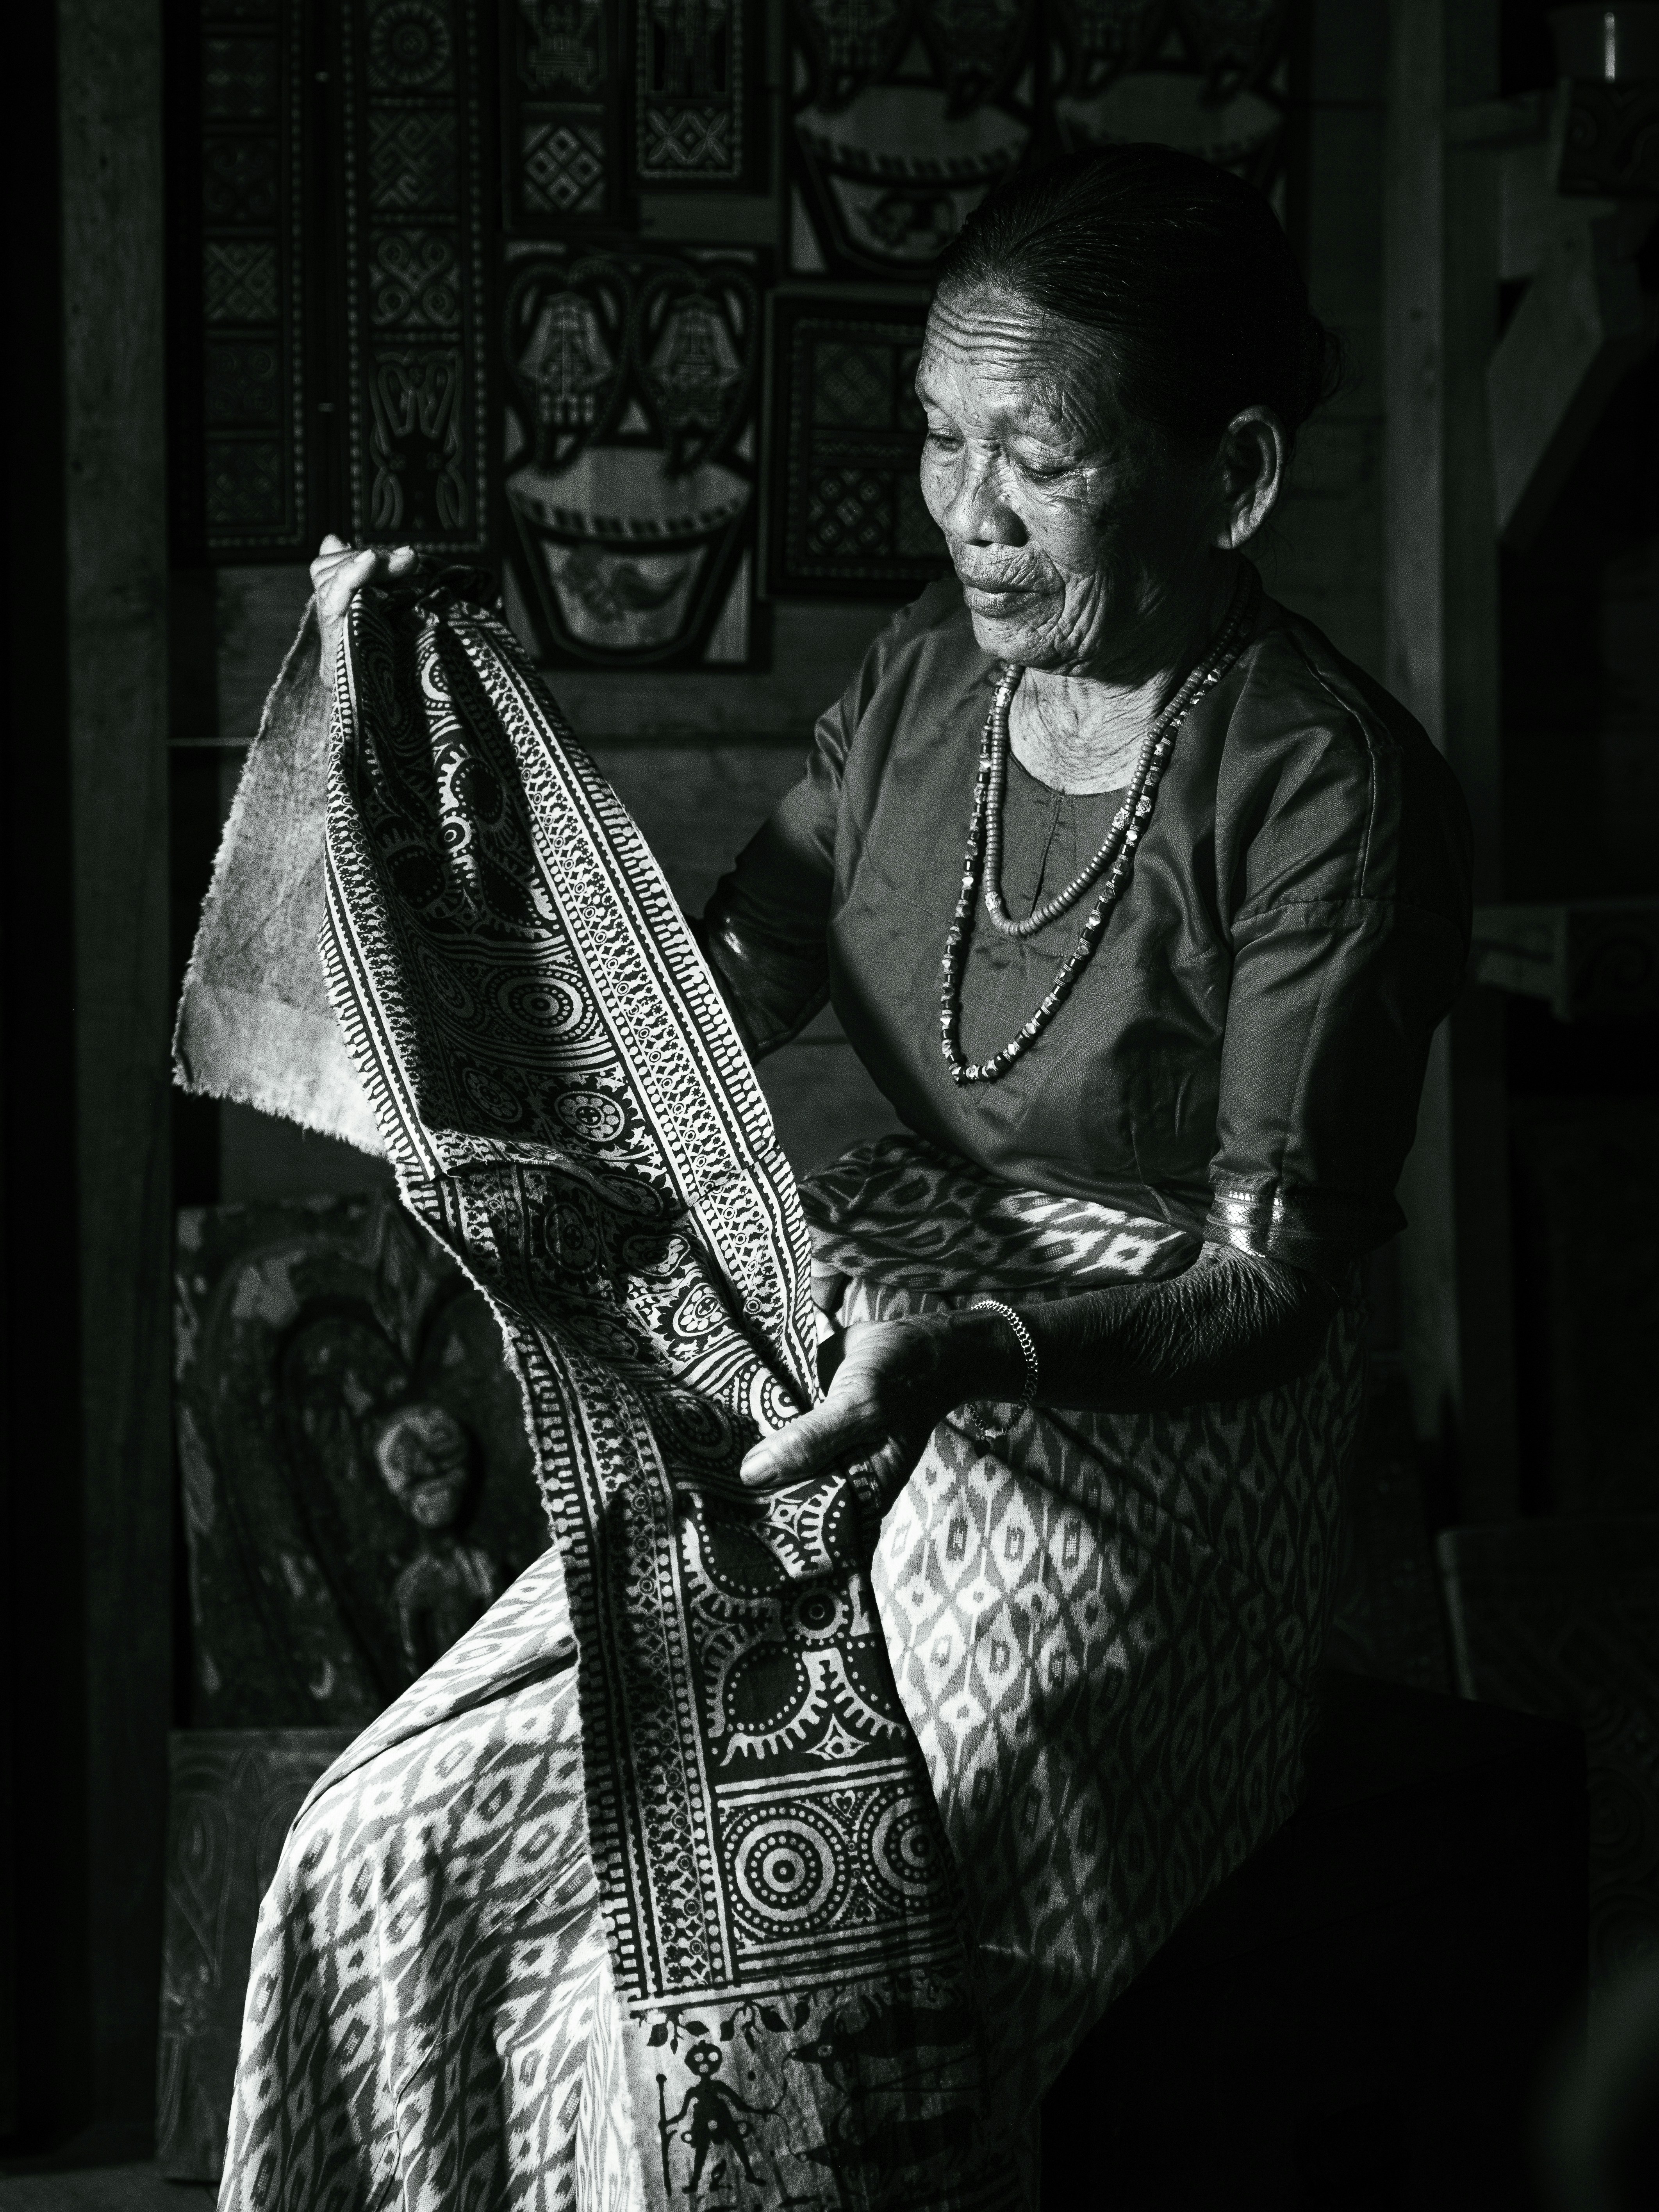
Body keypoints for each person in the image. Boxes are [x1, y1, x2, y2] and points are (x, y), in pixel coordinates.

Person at [232, 144, 1470, 2208]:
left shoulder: (1326, 784)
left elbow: (1271, 1290)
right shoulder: (915, 686)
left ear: (1229, 476)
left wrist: (971, 1347)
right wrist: (456, 776)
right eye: (930, 441)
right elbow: (706, 992)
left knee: (754, 1987)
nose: (961, 512)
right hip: (853, 1338)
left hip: (1145, 1437)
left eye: (1032, 460)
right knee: (384, 1843)